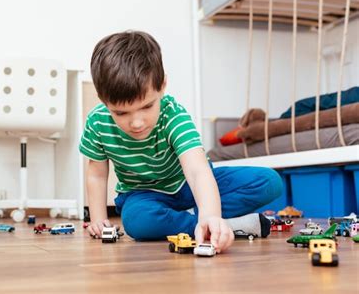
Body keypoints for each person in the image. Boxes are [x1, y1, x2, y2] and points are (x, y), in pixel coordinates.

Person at [79, 30, 282, 253]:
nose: (136, 123)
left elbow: (197, 172)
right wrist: (99, 220)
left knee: (269, 182)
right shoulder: (97, 122)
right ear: (103, 99)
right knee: (137, 222)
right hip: (144, 194)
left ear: (162, 86)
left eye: (147, 107)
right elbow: (97, 174)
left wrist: (210, 214)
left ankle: (205, 219)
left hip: (189, 186)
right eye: (121, 113)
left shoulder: (174, 116)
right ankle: (214, 225)